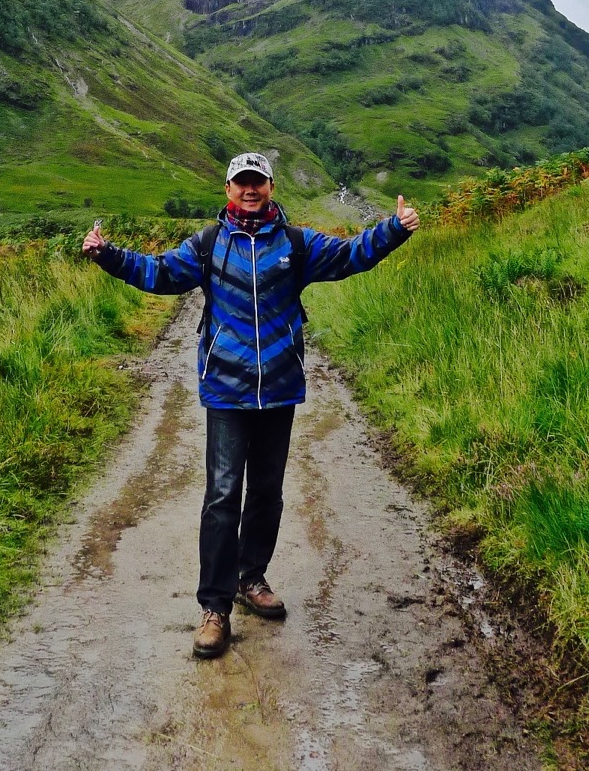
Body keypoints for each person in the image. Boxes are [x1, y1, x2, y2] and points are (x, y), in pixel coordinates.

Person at [82, 151, 419, 658]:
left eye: (257, 182)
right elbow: (158, 273)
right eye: (241, 183)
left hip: (279, 388)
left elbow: (351, 255)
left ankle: (251, 578)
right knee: (222, 496)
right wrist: (109, 255)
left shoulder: (297, 244)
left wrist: (393, 229)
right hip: (226, 389)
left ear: (270, 186)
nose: (249, 190)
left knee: (266, 491)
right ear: (228, 189)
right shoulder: (209, 245)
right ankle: (214, 608)